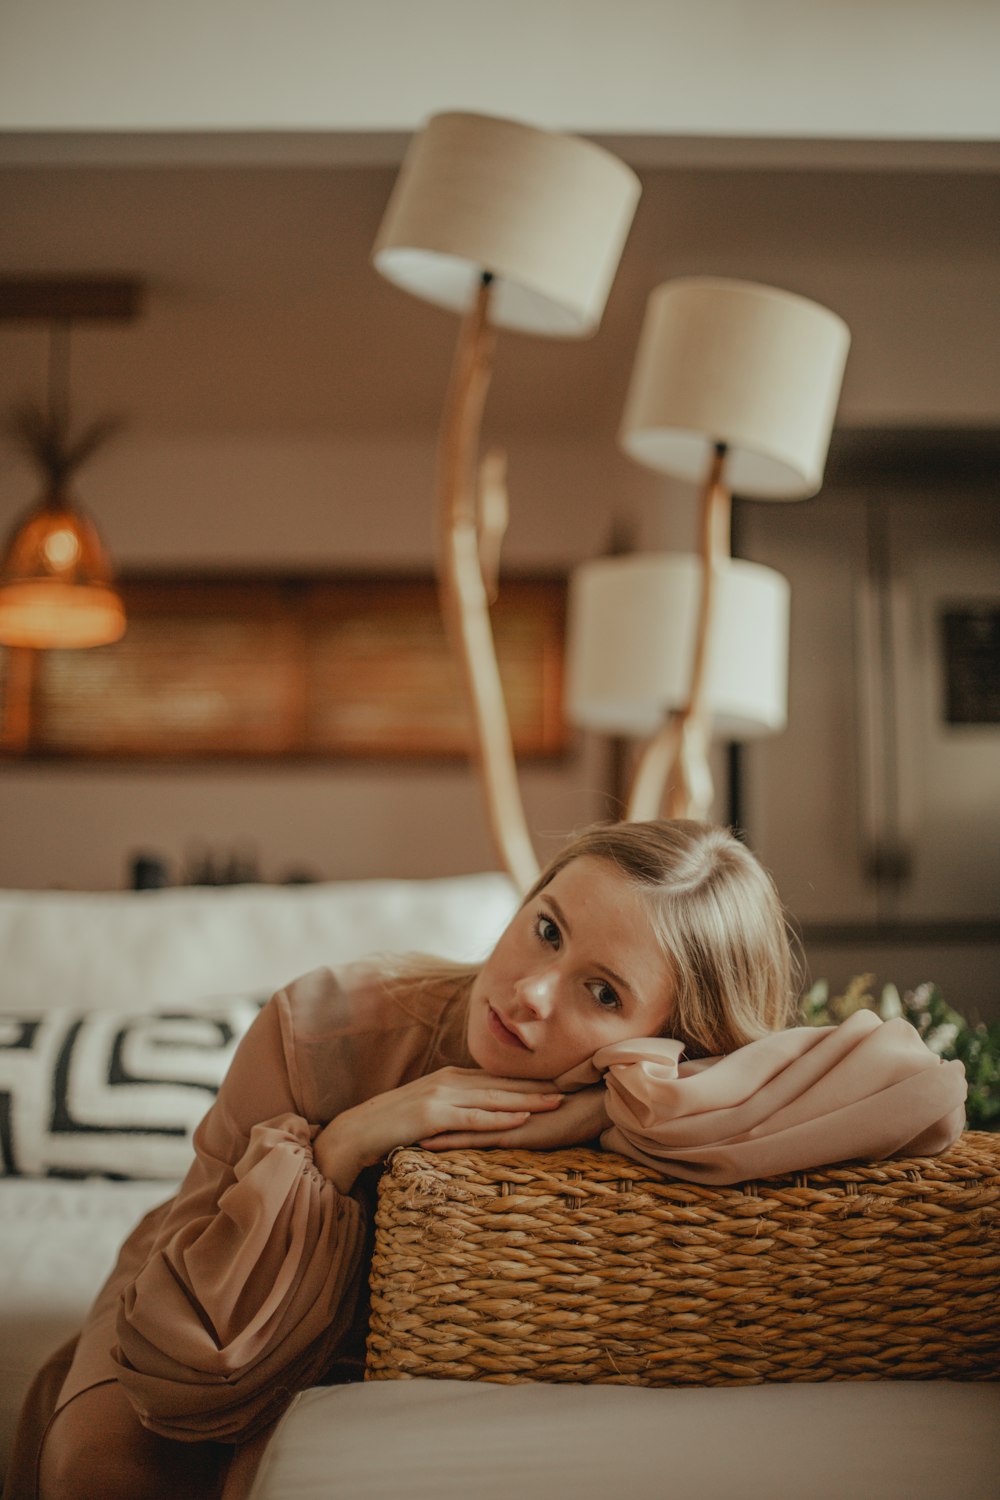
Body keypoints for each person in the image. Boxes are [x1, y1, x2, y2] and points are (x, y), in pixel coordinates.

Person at [3, 820, 804, 1500]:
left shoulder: (669, 1097)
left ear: (677, 1036)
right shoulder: (320, 1026)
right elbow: (196, 1331)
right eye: (547, 929)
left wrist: (601, 1105)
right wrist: (345, 1143)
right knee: (99, 1469)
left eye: (602, 994)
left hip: (407, 1338)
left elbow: (920, 1098)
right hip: (208, 1276)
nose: (530, 992)